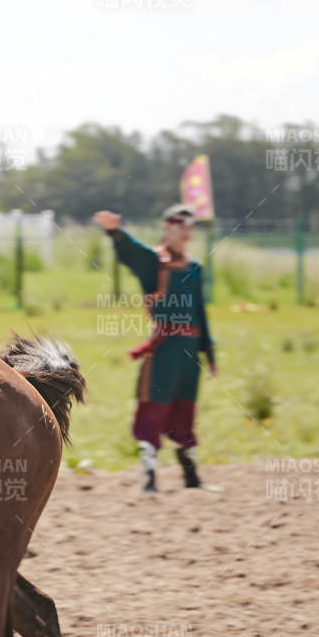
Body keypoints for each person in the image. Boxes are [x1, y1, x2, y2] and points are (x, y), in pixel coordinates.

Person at [93, 206, 219, 494]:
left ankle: (191, 477)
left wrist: (208, 352)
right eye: (180, 226)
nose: (185, 233)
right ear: (167, 228)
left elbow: (200, 310)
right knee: (154, 408)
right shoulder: (154, 262)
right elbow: (131, 251)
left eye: (190, 227)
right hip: (165, 348)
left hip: (190, 349)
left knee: (185, 408)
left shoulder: (195, 267)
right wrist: (114, 231)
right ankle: (150, 476)